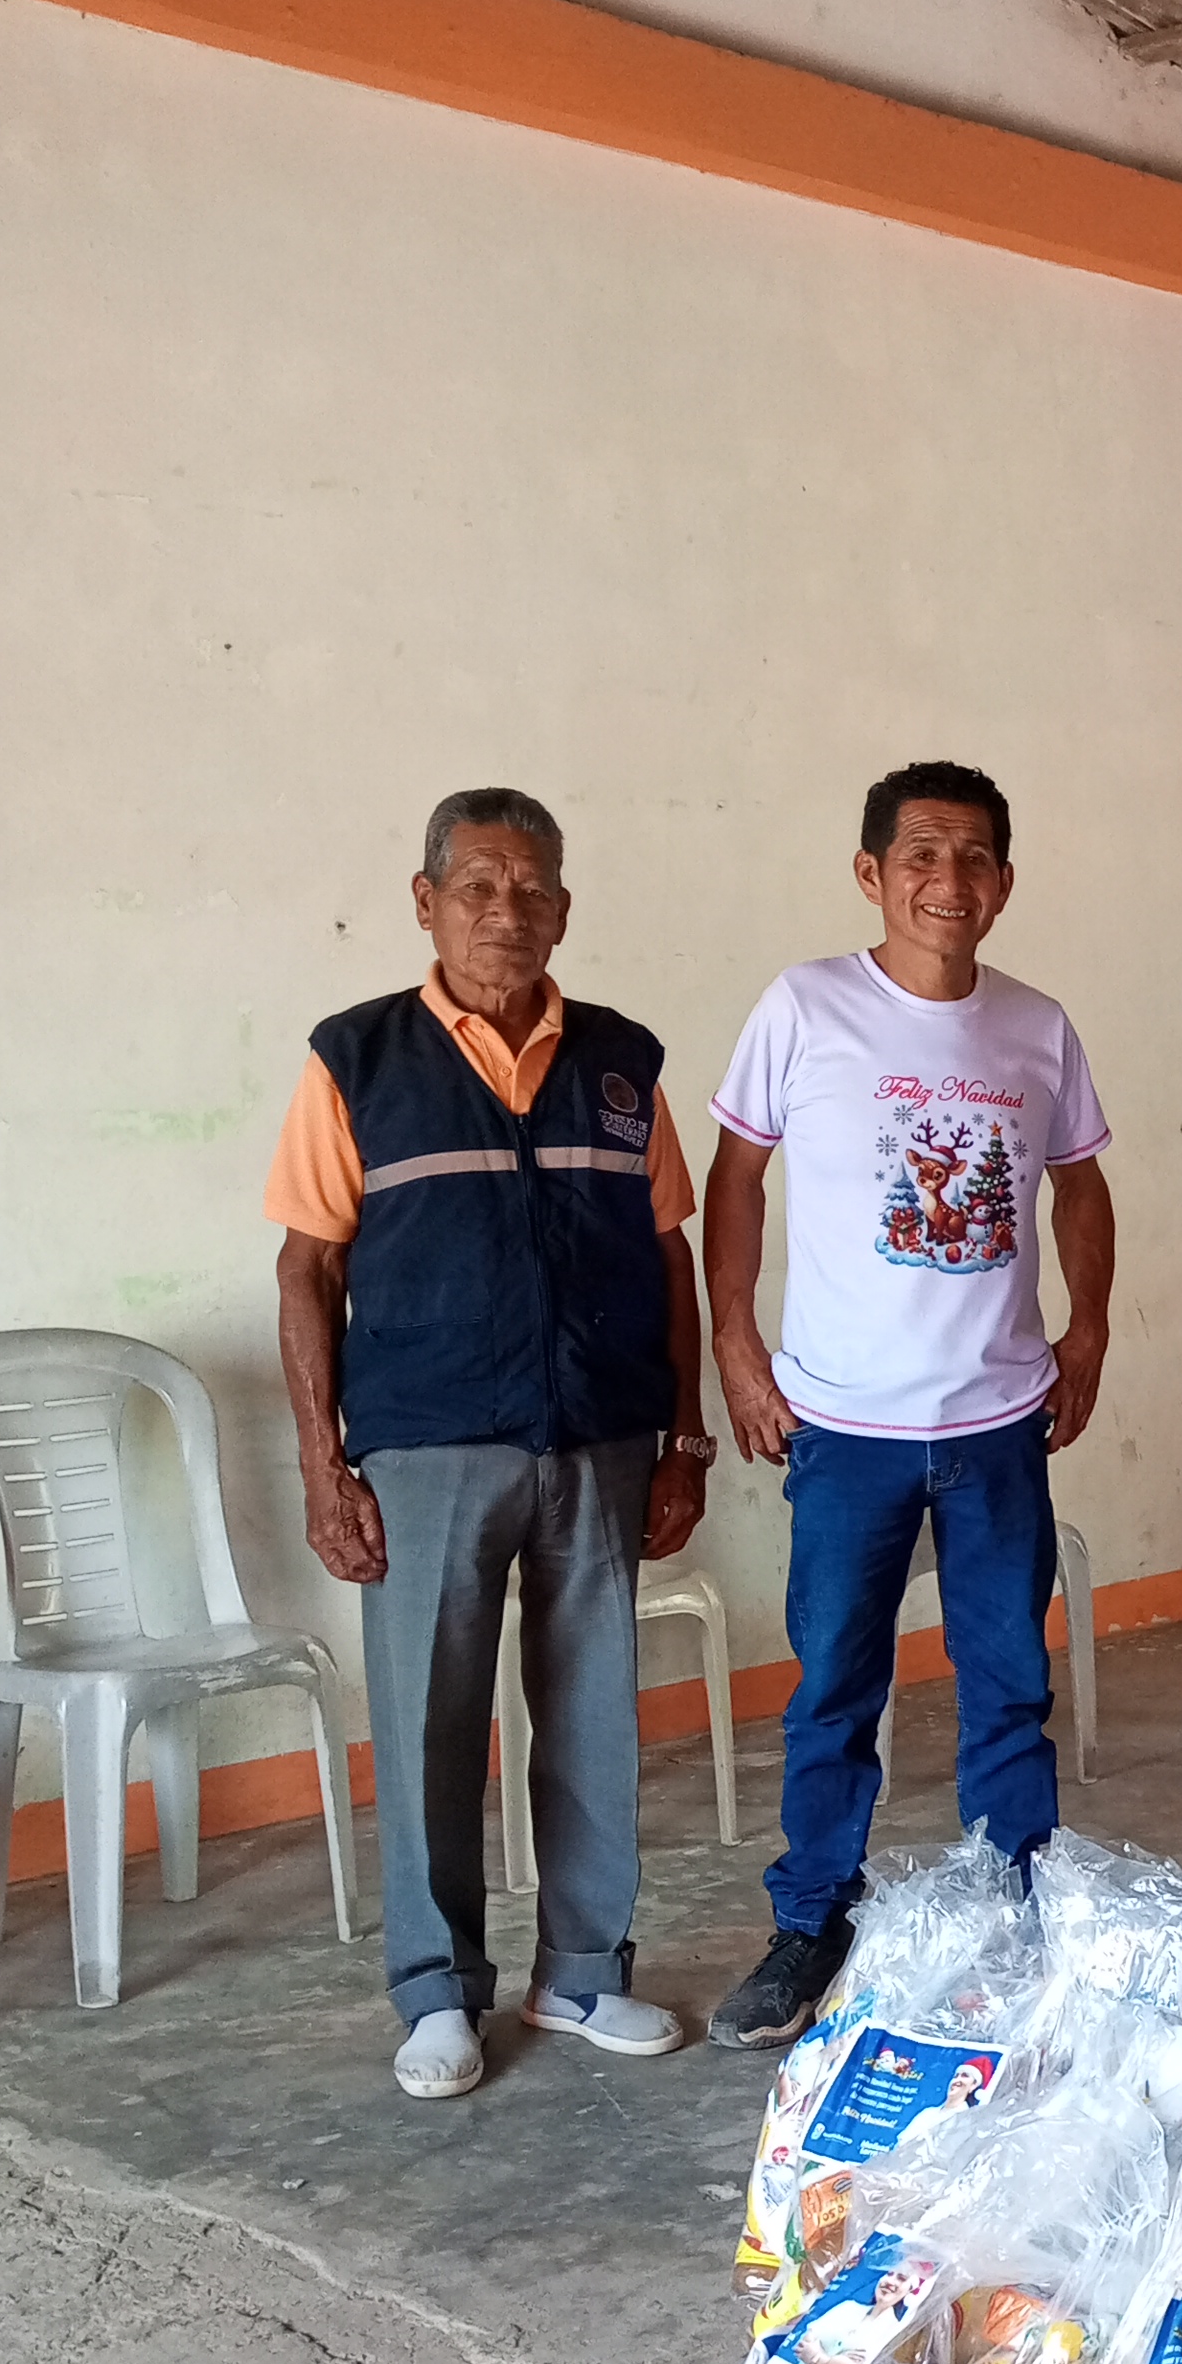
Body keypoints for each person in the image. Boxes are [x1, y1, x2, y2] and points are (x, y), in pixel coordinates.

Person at [268, 788, 712, 2100]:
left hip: (600, 1439)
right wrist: (322, 1465)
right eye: (477, 886)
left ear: (563, 909)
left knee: (593, 1715)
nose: (505, 912)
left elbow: (670, 1255)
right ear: (427, 902)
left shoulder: (623, 1061)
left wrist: (684, 1440)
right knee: (429, 1722)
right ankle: (436, 1993)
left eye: (531, 890)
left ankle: (582, 1973)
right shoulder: (357, 1059)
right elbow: (306, 1270)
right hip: (428, 1448)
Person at [703, 761, 1114, 2047]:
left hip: (997, 1425)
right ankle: (811, 1921)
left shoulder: (1038, 1025)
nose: (949, 879)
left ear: (1005, 881)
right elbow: (734, 1178)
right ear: (871, 874)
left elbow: (1082, 1184)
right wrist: (735, 1345)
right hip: (844, 1429)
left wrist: (1090, 1325)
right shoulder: (804, 1006)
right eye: (921, 855)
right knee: (834, 1687)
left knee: (1008, 1685)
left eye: (975, 856)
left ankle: (1016, 1912)